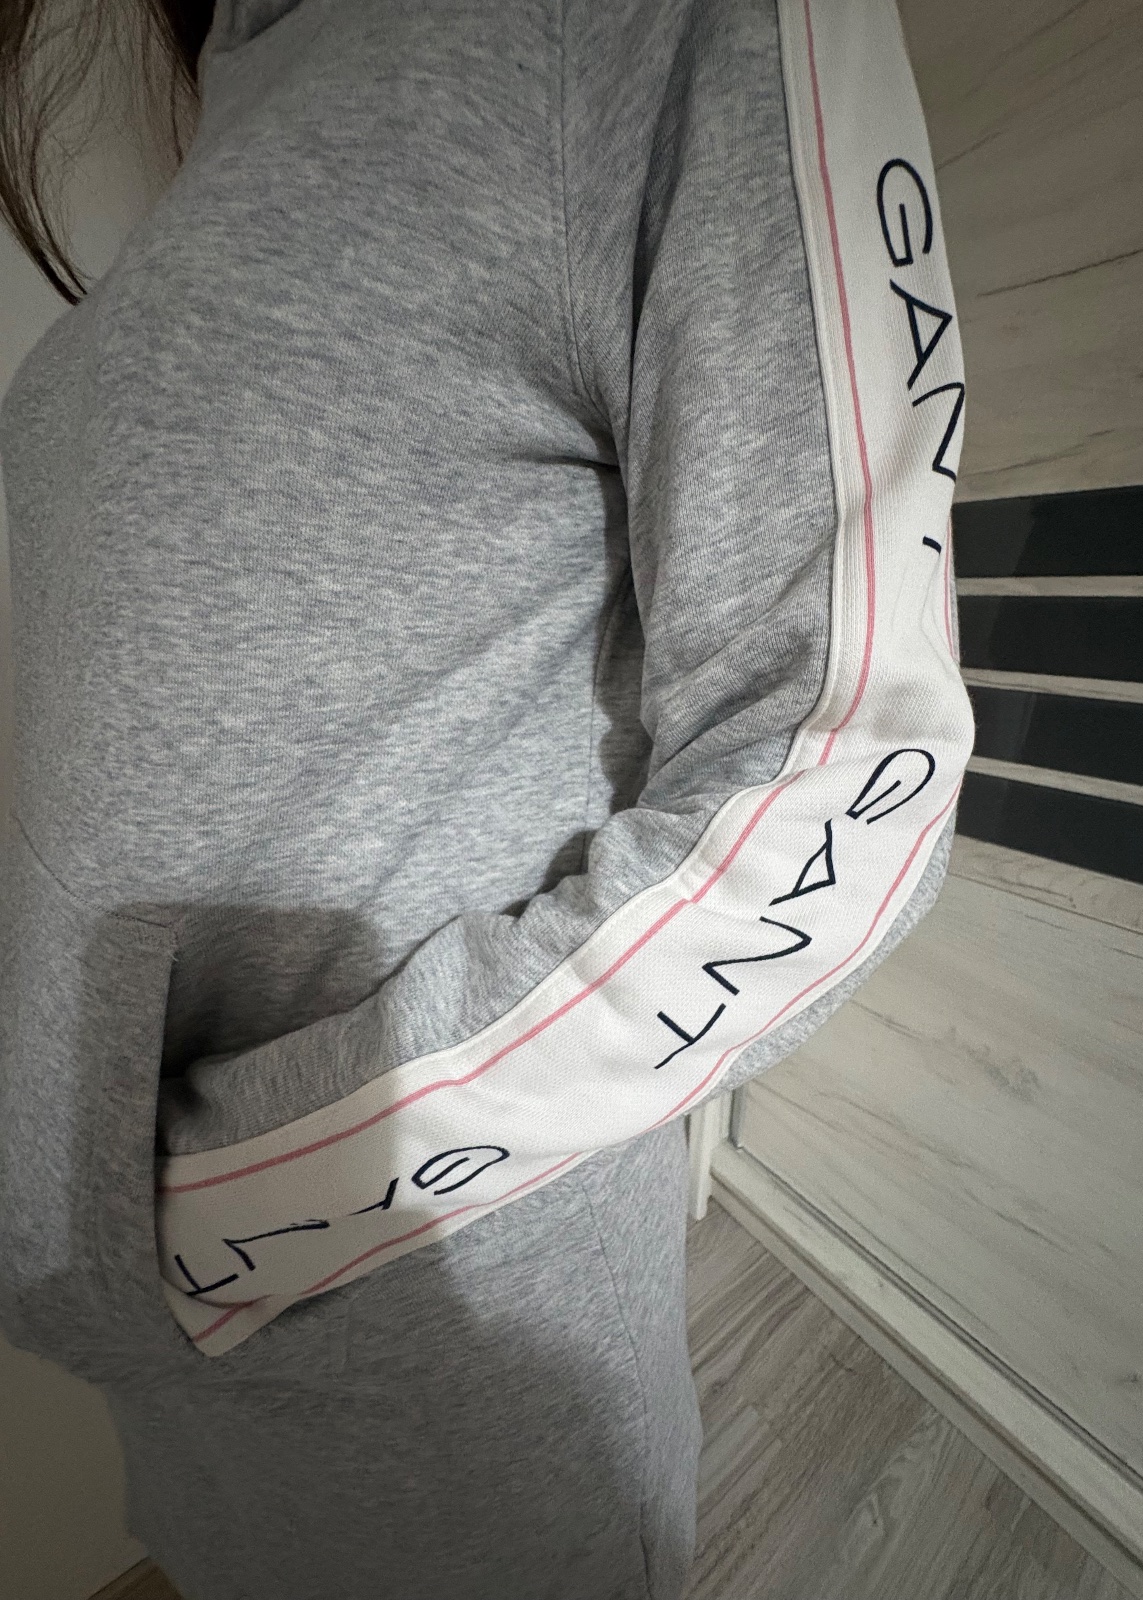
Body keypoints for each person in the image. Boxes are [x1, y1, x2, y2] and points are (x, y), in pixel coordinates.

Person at [0, 0, 974, 1594]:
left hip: (425, 1388)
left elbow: (851, 774)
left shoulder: (623, 33)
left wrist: (240, 1209)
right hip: (186, 1374)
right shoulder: (238, 96)